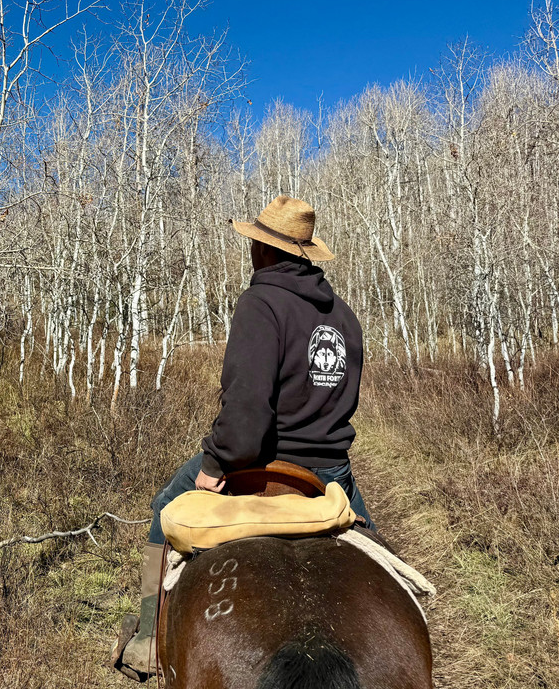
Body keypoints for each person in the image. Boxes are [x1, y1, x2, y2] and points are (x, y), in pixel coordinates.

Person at [112, 195, 376, 681]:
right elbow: (343, 398)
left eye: (255, 243)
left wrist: (217, 463)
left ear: (265, 250)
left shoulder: (261, 303)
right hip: (332, 473)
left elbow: (248, 407)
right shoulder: (344, 316)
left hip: (266, 464)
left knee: (165, 508)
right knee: (380, 557)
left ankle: (147, 639)